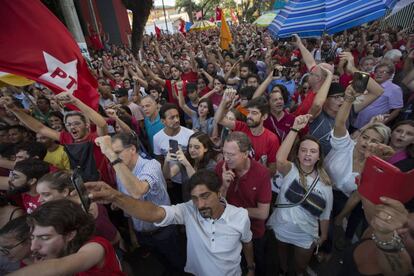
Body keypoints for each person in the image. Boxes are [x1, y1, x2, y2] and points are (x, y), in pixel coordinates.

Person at [84, 170, 255, 276]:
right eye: (195, 198)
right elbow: (155, 212)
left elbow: (247, 243)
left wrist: (251, 268)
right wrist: (116, 196)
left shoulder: (240, 216)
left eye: (205, 196)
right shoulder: (189, 210)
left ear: (219, 193)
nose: (200, 205)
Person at [94, 133, 184, 272]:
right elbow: (128, 204)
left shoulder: (151, 165)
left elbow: (137, 191)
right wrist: (132, 232)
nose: (114, 156)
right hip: (142, 232)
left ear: (132, 149)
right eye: (113, 153)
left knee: (177, 264)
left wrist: (111, 155)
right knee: (160, 263)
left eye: (117, 152)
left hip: (163, 230)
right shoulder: (120, 170)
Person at [325, 85, 392, 249]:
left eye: (375, 141)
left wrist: (341, 217)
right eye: (365, 137)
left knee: (332, 232)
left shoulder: (376, 168)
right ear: (359, 136)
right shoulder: (344, 145)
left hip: (343, 201)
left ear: (382, 146)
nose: (367, 143)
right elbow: (340, 122)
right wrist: (348, 98)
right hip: (321, 189)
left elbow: (356, 196)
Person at [267, 114, 333, 276]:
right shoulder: (290, 170)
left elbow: (325, 213)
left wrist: (323, 235)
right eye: (303, 150)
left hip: (305, 235)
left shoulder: (325, 183)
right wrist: (295, 128)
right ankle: (282, 270)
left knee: (300, 268)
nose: (307, 154)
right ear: (297, 154)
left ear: (319, 156)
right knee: (281, 255)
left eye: (313, 151)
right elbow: (279, 158)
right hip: (281, 227)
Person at [4, 92, 114, 185]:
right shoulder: (66, 138)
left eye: (76, 123)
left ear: (87, 125)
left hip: (105, 182)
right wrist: (15, 110)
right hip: (82, 185)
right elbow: (40, 128)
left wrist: (75, 102)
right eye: (69, 124)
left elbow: (102, 124)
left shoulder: (96, 137)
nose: (72, 127)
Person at [8, 199, 124, 275]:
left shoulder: (95, 247)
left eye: (44, 238)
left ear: (69, 235)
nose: (33, 247)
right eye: (32, 237)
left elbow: (60, 266)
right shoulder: (51, 254)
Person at [215, 131, 271, 275]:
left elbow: (263, 213)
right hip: (228, 230)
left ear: (246, 153)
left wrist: (233, 211)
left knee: (259, 266)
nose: (226, 159)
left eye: (231, 155)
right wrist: (224, 186)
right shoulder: (220, 167)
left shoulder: (262, 173)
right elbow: (216, 204)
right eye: (224, 153)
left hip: (254, 232)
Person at [35, 171, 121, 247]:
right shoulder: (66, 209)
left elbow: (114, 239)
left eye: (46, 194)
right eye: (39, 194)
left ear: (65, 192)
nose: (39, 200)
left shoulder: (90, 211)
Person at [215, 89, 280, 175]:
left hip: (255, 178)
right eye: (248, 112)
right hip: (234, 174)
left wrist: (258, 168)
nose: (249, 116)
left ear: (264, 117)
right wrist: (224, 102)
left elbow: (272, 170)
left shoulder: (272, 139)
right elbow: (218, 119)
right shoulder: (241, 126)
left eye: (254, 113)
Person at [163, 132, 218, 201]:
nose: (192, 150)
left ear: (205, 148)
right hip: (187, 201)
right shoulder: (187, 157)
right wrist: (166, 161)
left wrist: (186, 164)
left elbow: (199, 184)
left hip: (203, 202)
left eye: (196, 147)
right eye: (190, 146)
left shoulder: (211, 165)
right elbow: (168, 175)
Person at [354, 62, 404, 129]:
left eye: (383, 72)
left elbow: (397, 110)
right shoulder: (369, 84)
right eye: (376, 71)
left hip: (374, 125)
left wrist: (383, 123)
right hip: (358, 121)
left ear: (390, 75)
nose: (378, 74)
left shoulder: (395, 89)